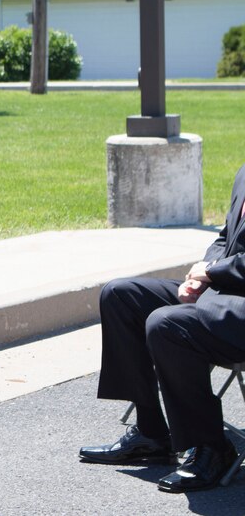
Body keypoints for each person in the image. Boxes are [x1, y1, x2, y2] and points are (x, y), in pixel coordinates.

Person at [79, 162, 245, 492]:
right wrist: (201, 275)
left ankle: (211, 448)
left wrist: (212, 274)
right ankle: (151, 435)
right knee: (120, 295)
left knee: (167, 324)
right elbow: (226, 238)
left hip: (237, 306)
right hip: (223, 291)